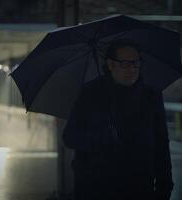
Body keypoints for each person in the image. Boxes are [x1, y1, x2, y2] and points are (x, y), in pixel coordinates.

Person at [63, 39, 174, 200]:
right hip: (96, 187)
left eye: (136, 63)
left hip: (140, 187)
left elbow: (162, 144)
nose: (132, 69)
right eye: (125, 64)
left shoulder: (151, 96)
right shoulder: (91, 93)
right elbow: (70, 136)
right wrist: (100, 139)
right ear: (110, 65)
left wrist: (165, 186)